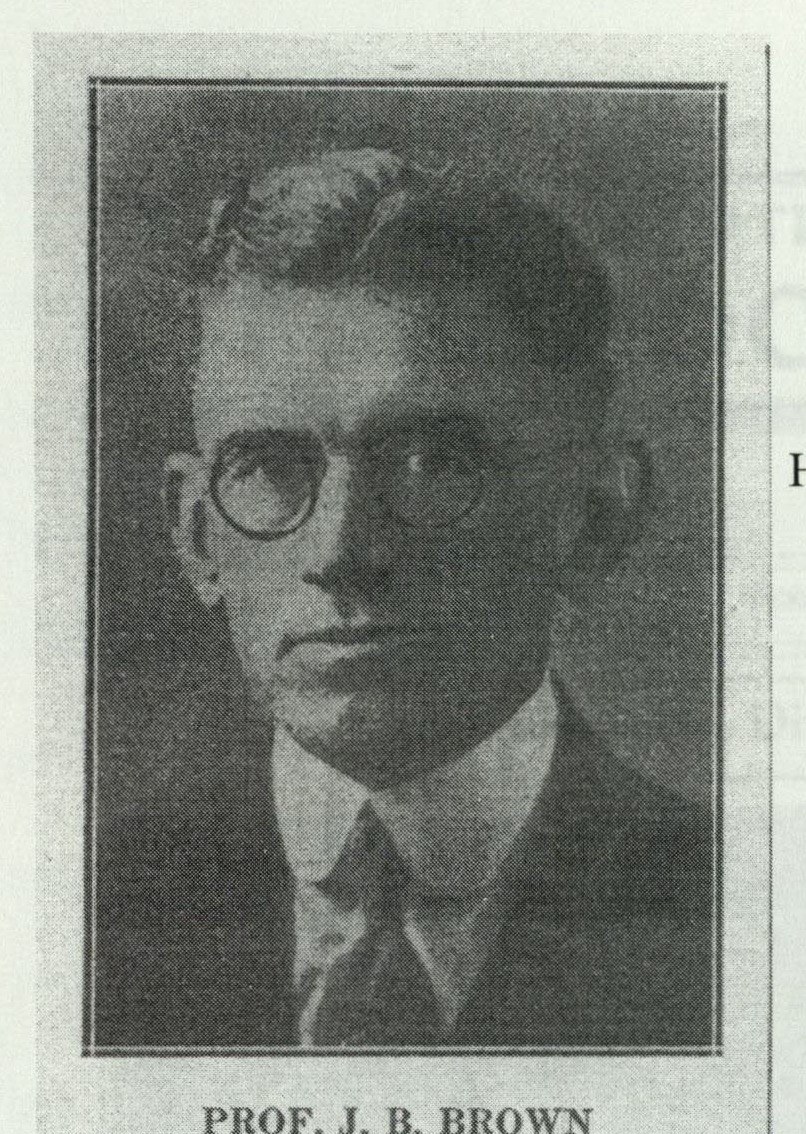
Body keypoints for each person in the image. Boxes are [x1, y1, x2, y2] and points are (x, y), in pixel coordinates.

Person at [93, 148, 712, 1050]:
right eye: (267, 469)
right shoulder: (76, 914)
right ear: (196, 539)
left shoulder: (742, 911)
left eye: (432, 464)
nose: (341, 552)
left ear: (595, 515)